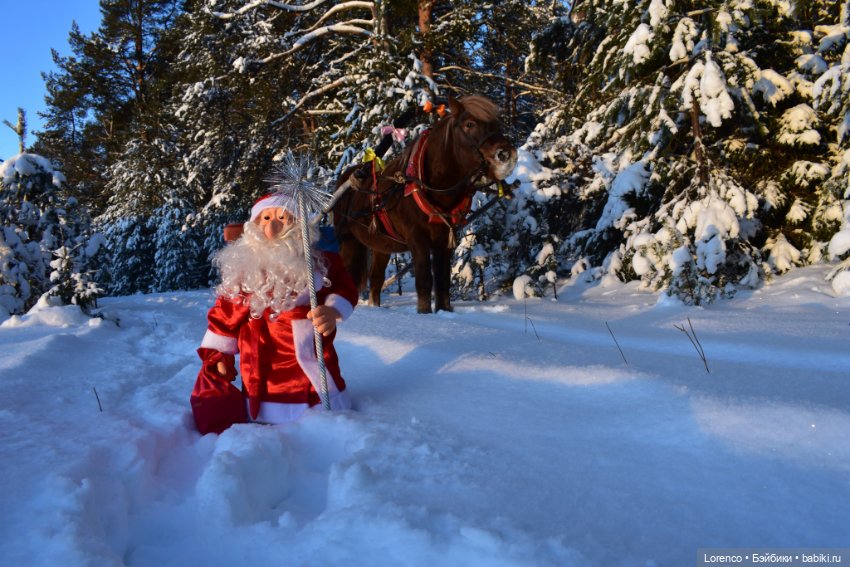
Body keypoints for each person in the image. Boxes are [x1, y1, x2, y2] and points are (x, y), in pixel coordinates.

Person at [190, 193, 358, 435]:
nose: (273, 225)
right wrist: (219, 357)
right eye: (265, 217)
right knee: (266, 393)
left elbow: (345, 286)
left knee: (319, 405)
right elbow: (224, 317)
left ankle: (322, 422)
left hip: (309, 348)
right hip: (261, 357)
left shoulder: (320, 263)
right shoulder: (245, 269)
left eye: (283, 217)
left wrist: (332, 310)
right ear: (254, 226)